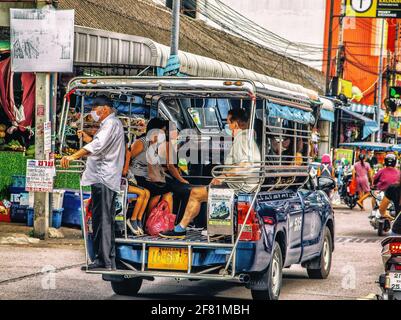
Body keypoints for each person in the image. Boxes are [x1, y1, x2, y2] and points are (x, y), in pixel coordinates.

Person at [159, 108, 261, 239]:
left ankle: (180, 229)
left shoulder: (242, 139)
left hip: (238, 187)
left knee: (196, 193)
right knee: (205, 191)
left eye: (229, 123)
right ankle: (215, 229)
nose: (228, 126)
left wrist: (223, 176)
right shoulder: (247, 138)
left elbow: (246, 165)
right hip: (240, 185)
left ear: (235, 124)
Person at [61, 95, 125, 271]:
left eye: (95, 109)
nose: (93, 113)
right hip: (103, 178)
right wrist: (87, 139)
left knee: (102, 220)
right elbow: (99, 146)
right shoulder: (110, 125)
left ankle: (104, 261)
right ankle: (103, 259)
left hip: (104, 178)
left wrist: (73, 156)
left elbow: (97, 146)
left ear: (104, 109)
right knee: (100, 219)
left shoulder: (111, 123)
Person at [123, 118, 173, 216]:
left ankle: (164, 222)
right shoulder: (141, 142)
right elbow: (127, 156)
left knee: (167, 191)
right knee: (158, 191)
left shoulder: (155, 144)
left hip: (147, 176)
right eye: (162, 131)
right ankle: (149, 222)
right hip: (135, 176)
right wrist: (125, 171)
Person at [122, 135, 150, 236]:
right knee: (142, 193)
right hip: (117, 182)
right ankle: (132, 220)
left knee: (147, 192)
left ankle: (138, 220)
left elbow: (125, 172)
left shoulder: (126, 153)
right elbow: (124, 172)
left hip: (125, 181)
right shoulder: (118, 154)